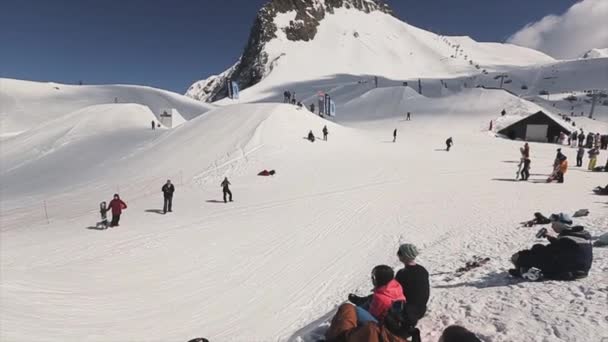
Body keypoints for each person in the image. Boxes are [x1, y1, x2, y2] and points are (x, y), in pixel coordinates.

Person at [510, 213, 593, 280]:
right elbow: (566, 247)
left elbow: (550, 252)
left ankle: (525, 270)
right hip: (583, 269)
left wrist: (526, 254)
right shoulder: (582, 234)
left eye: (554, 224)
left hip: (569, 271)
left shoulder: (566, 239)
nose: (552, 226)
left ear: (560, 224)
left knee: (532, 252)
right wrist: (550, 238)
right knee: (539, 249)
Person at [395, 244, 430, 325]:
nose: (398, 254)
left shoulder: (402, 274)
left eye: (400, 253)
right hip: (421, 309)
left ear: (406, 255)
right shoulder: (422, 270)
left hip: (407, 313)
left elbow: (395, 293)